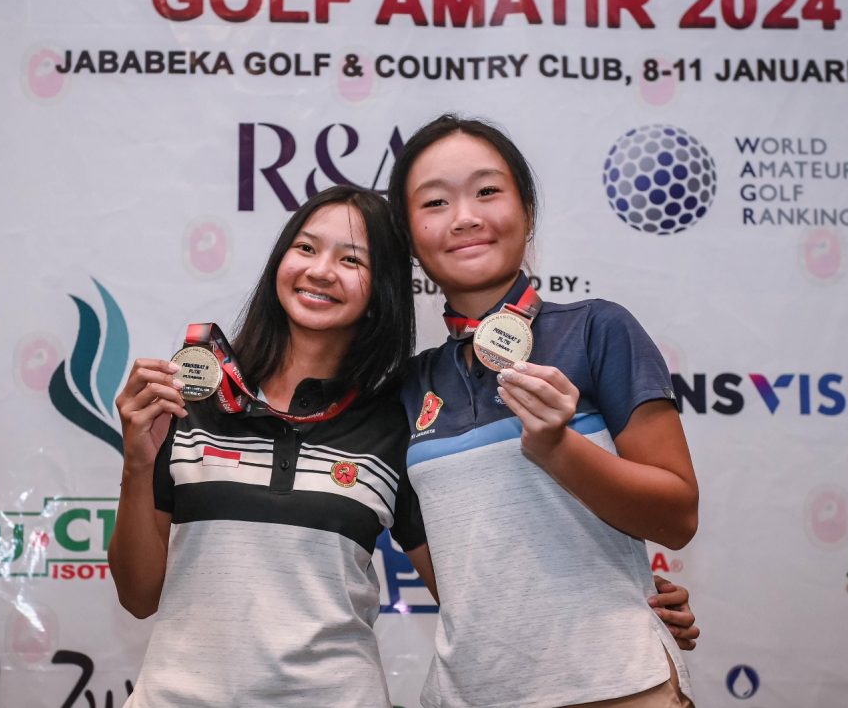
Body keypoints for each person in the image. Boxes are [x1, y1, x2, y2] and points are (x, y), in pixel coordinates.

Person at [109, 183, 699, 706]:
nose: (321, 270)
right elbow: (139, 596)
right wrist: (138, 462)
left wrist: (621, 603)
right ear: (279, 261)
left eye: (352, 260)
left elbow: (474, 586)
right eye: (306, 248)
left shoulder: (394, 420)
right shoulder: (192, 399)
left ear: (383, 289)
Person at [387, 114, 700, 707]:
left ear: (526, 210)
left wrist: (558, 449)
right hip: (470, 694)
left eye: (487, 191)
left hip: (618, 685)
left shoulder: (597, 329)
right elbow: (463, 577)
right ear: (408, 236)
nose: (465, 218)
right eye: (434, 202)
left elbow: (677, 517)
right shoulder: (409, 385)